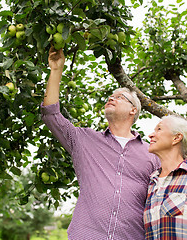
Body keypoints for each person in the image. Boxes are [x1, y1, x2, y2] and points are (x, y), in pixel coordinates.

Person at [41, 46, 160, 239]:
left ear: (133, 111)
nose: (112, 98)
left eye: (120, 97)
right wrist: (56, 70)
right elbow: (51, 115)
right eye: (110, 96)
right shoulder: (84, 140)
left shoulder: (153, 153)